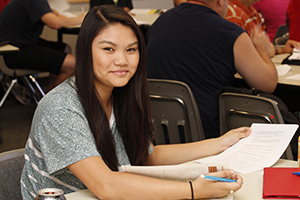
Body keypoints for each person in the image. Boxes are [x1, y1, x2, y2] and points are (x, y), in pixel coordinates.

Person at [21, 5, 251, 200]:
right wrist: (192, 190)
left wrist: (220, 143)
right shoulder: (61, 107)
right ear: (85, 51)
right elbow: (106, 186)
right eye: (108, 49)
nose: (121, 60)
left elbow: (148, 157)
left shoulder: (120, 96)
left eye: (131, 50)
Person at [146, 0, 277, 139]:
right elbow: (268, 83)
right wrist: (263, 51)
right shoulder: (230, 33)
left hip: (159, 132)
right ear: (220, 2)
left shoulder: (158, 24)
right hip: (211, 137)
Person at [0, 0, 86, 91]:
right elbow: (55, 23)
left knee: (65, 49)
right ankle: (54, 102)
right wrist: (81, 19)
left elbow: (55, 14)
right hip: (12, 52)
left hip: (20, 45)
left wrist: (61, 17)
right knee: (72, 64)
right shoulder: (34, 1)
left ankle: (51, 92)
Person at [225, 0, 300, 56]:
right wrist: (264, 52)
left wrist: (280, 50)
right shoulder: (232, 15)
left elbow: (265, 47)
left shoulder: (250, 10)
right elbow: (242, 57)